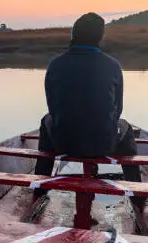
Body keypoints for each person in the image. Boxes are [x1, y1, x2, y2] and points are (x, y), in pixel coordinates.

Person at [34, 12, 142, 204]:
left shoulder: (55, 64)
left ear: (73, 34)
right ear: (100, 37)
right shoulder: (112, 65)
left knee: (46, 121)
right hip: (103, 145)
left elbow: (53, 107)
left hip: (63, 143)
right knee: (125, 127)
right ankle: (138, 195)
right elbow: (117, 110)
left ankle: (39, 190)